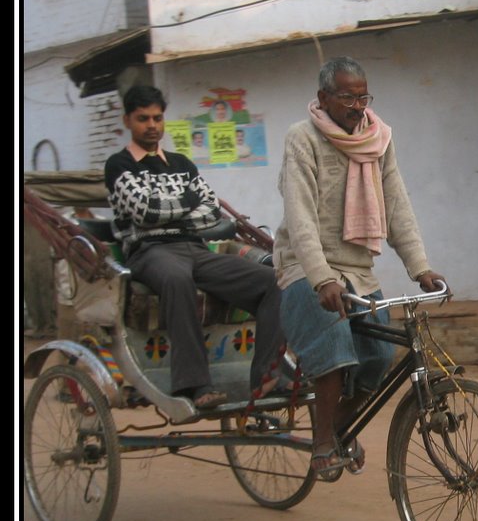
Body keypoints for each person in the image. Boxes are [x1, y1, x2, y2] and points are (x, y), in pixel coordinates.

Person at [274, 57, 446, 478]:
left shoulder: (378, 138)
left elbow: (397, 204)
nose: (356, 105)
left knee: (378, 355)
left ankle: (336, 427)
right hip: (304, 265)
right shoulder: (302, 138)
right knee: (334, 351)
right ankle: (320, 447)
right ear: (323, 98)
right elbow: (300, 218)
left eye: (362, 96)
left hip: (358, 271)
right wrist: (320, 277)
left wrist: (420, 267)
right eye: (347, 96)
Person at [104, 85, 287, 409]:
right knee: (177, 279)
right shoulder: (119, 166)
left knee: (274, 281)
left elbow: (211, 211)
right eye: (143, 118)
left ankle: (265, 376)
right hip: (149, 253)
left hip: (196, 249)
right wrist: (187, 204)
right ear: (127, 121)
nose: (152, 125)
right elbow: (144, 213)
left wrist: (175, 213)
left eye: (157, 118)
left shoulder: (181, 163)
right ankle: (194, 385)